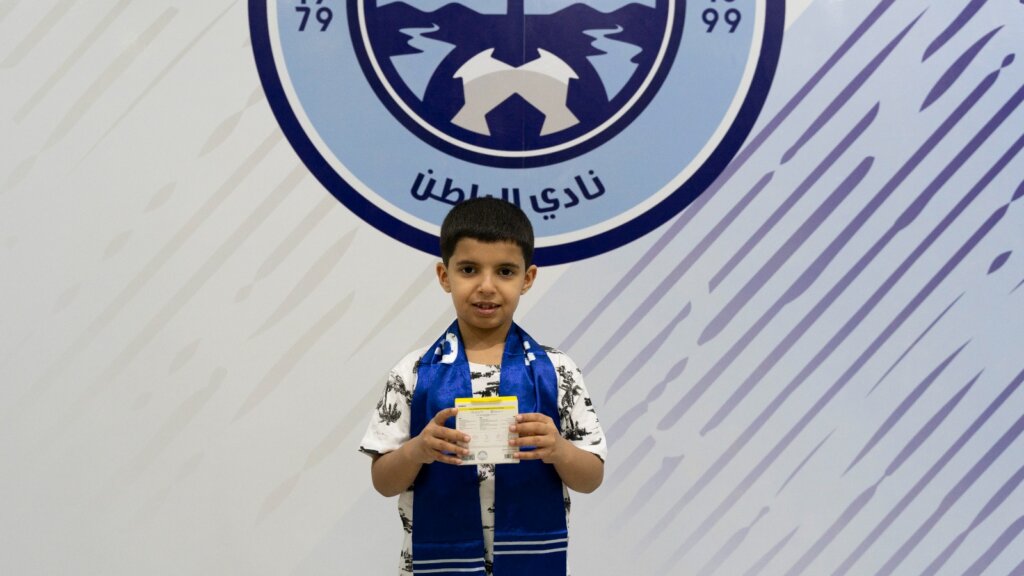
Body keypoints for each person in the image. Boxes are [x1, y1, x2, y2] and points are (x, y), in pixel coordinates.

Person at [359, 197, 607, 576]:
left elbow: (591, 478)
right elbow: (383, 482)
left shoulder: (557, 371)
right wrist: (418, 449)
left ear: (528, 279)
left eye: (505, 271)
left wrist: (557, 449)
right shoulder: (413, 372)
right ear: (444, 276)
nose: (486, 286)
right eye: (469, 269)